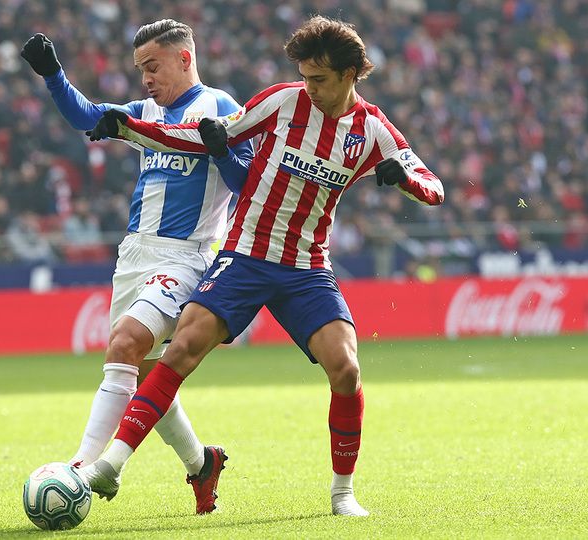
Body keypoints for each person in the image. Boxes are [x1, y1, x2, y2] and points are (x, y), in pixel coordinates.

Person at [81, 16, 444, 516]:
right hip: (244, 256)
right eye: (304, 76)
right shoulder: (282, 100)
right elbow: (207, 137)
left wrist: (405, 178)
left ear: (350, 74)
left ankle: (343, 494)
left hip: (306, 268)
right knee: (181, 348)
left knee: (346, 369)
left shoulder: (373, 131)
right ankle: (110, 465)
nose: (308, 88)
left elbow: (434, 186)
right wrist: (129, 126)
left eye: (318, 79)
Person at [20, 19, 254, 514]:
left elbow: (248, 182)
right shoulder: (143, 113)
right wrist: (52, 75)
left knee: (124, 342)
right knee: (145, 374)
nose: (145, 78)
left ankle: (83, 467)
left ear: (184, 58)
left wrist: (218, 148)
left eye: (153, 66)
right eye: (139, 69)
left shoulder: (222, 107)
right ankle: (201, 463)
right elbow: (89, 116)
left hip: (187, 254)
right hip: (134, 256)